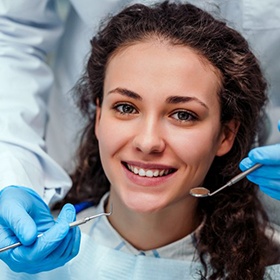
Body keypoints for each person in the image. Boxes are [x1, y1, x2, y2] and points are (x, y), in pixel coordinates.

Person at [2, 2, 280, 279]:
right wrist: (13, 172)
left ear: (226, 134)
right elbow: (12, 34)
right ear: (98, 116)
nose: (147, 143)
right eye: (125, 107)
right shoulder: (21, 261)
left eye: (183, 115)